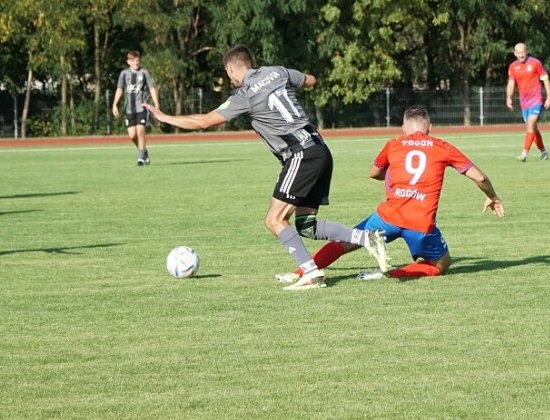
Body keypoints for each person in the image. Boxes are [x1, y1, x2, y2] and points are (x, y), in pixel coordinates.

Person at [143, 44, 388, 290]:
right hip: (320, 149)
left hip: (300, 155)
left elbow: (206, 121)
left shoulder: (245, 95)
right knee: (306, 225)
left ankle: (312, 273)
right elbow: (309, 80)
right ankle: (367, 238)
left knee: (274, 219)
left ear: (230, 69)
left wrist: (165, 118)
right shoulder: (277, 71)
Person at [294, 106, 504, 281]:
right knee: (441, 264)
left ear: (404, 128)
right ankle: (392, 273)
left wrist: (396, 178)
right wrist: (493, 197)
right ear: (429, 127)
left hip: (387, 217)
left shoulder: (393, 144)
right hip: (421, 224)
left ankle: (302, 271)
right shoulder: (443, 147)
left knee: (344, 242)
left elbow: (373, 173)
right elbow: (480, 178)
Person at [506, 42, 550, 161]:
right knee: (533, 129)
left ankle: (524, 153)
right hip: (524, 103)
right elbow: (511, 84)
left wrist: (549, 97)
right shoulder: (513, 67)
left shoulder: (535, 63)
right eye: (519, 53)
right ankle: (543, 152)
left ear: (527, 51)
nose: (521, 55)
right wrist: (509, 97)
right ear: (515, 53)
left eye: (523, 52)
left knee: (531, 124)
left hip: (536, 100)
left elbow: (546, 80)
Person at [112, 50, 160, 166]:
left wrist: (156, 103)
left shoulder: (144, 73)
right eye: (133, 61)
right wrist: (115, 104)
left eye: (137, 60)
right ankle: (144, 152)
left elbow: (152, 88)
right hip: (129, 109)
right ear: (128, 62)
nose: (136, 63)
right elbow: (120, 89)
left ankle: (141, 158)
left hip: (141, 108)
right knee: (132, 135)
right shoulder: (124, 74)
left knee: (140, 131)